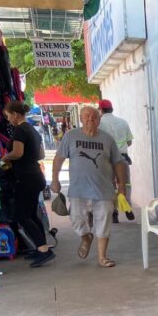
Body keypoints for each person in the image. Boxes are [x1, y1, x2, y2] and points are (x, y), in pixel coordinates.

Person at [51, 106, 127, 268]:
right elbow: (59, 158)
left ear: (99, 120)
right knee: (77, 220)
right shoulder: (71, 136)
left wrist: (122, 186)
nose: (90, 120)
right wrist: (55, 179)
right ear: (81, 119)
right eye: (86, 117)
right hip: (78, 190)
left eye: (94, 117)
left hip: (104, 190)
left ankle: (102, 257)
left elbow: (118, 163)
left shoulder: (107, 139)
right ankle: (86, 237)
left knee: (103, 223)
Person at [0, 100, 54, 268]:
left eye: (9, 116)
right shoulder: (32, 129)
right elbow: (40, 154)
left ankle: (44, 250)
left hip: (26, 177)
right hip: (35, 175)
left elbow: (17, 152)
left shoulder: (20, 130)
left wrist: (5, 158)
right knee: (30, 214)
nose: (8, 120)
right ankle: (41, 247)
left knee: (22, 215)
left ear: (15, 114)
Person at [98, 99, 134, 223]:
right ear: (112, 109)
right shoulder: (123, 122)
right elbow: (129, 141)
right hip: (122, 157)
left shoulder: (99, 124)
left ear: (101, 110)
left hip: (106, 159)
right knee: (125, 183)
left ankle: (114, 212)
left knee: (110, 185)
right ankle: (127, 206)